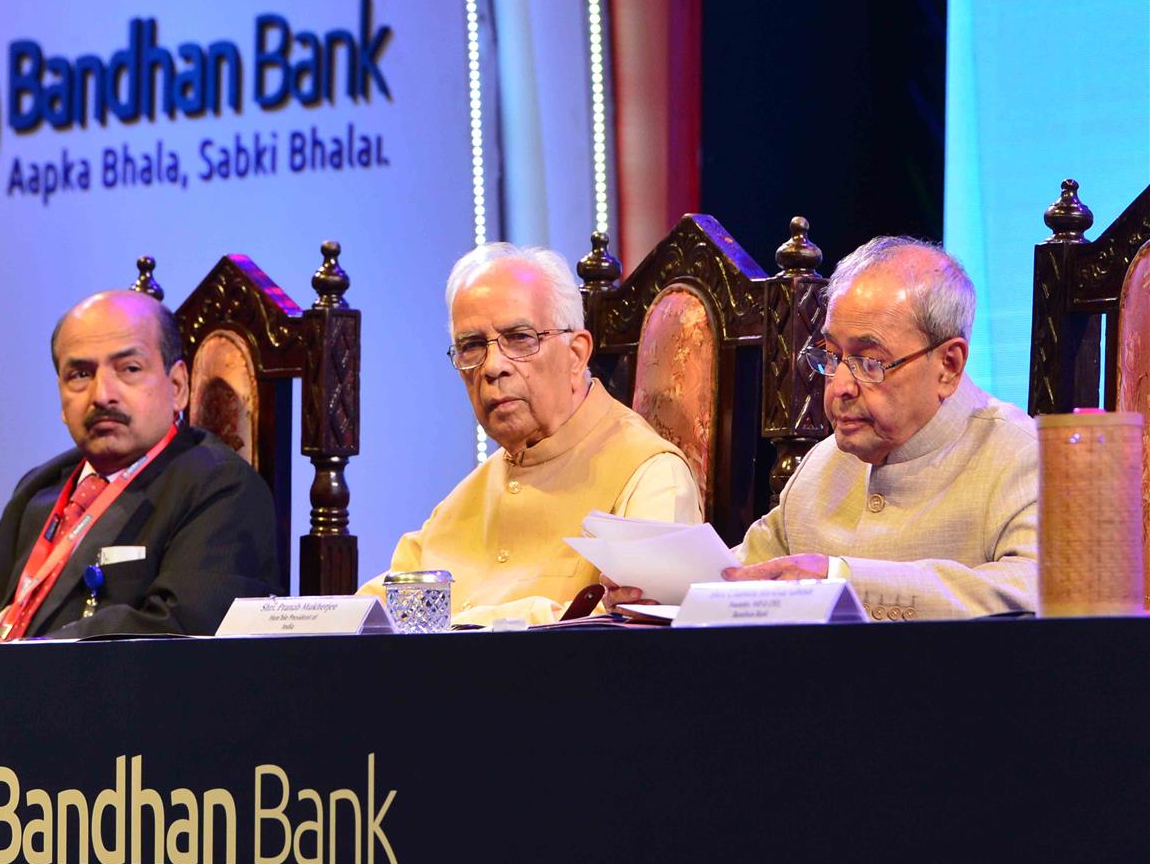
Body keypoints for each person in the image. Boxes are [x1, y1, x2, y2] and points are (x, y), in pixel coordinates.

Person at [606, 237, 1038, 620]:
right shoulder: (826, 461)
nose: (841, 387)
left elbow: (1034, 589)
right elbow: (745, 575)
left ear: (949, 365)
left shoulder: (1021, 456)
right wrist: (660, 589)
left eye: (870, 362)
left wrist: (843, 580)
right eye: (831, 356)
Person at [361, 243, 701, 626]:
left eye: (520, 338)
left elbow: (639, 640)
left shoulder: (649, 476)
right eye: (471, 346)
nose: (492, 368)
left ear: (576, 355)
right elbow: (373, 613)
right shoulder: (463, 500)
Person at [0, 290, 280, 640]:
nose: (101, 395)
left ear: (177, 387)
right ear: (62, 398)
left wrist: (12, 663)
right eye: (80, 374)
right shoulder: (40, 488)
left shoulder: (220, 488)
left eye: (129, 369)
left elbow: (175, 629)